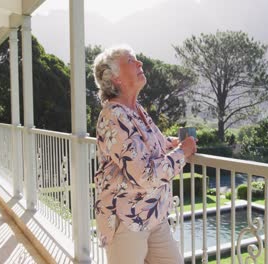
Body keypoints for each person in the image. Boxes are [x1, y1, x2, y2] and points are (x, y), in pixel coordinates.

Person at [93, 45, 197, 264]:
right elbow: (145, 175)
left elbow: (152, 143)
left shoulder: (136, 109)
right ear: (116, 78)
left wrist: (174, 143)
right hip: (126, 218)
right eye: (131, 61)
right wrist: (182, 152)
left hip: (153, 214)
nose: (140, 63)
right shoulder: (113, 116)